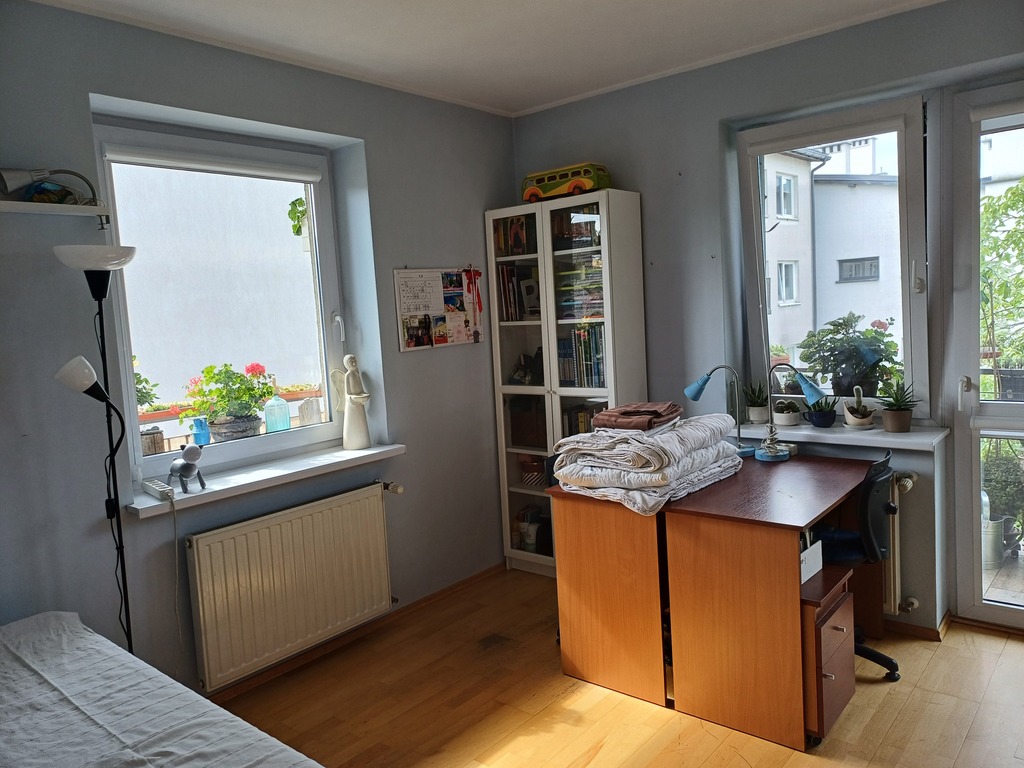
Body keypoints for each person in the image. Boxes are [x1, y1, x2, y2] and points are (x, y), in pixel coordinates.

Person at [343, 353, 371, 449]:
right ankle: (352, 444)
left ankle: (363, 443)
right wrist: (352, 398)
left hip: (358, 402)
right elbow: (347, 393)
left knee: (361, 423)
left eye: (355, 361)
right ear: (347, 364)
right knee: (352, 424)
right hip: (352, 404)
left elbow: (361, 390)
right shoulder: (348, 375)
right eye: (352, 362)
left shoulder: (356, 375)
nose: (354, 364)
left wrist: (364, 395)